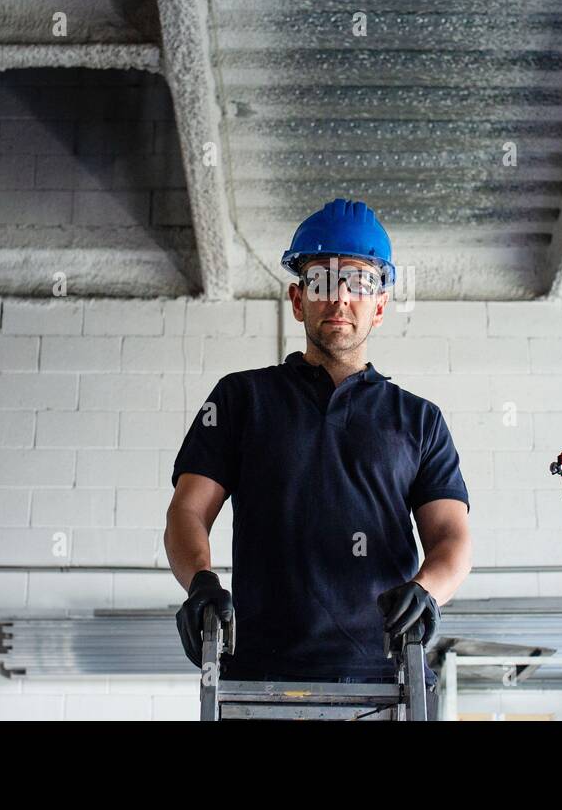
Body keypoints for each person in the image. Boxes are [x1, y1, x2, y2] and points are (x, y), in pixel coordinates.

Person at [166, 198, 472, 711]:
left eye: (358, 283)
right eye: (321, 282)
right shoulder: (241, 400)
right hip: (257, 685)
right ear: (296, 298)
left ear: (379, 304)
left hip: (385, 686)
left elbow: (452, 538)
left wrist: (428, 589)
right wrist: (199, 583)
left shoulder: (419, 421)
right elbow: (187, 509)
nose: (339, 299)